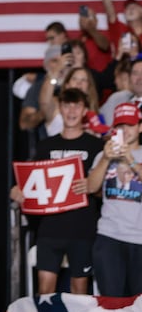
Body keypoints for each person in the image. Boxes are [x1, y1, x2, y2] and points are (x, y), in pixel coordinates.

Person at [12, 88, 104, 295]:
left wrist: (92, 185)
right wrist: (18, 191)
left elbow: (103, 191)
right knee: (45, 291)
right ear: (60, 109)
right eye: (67, 105)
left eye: (77, 105)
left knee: (80, 290)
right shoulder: (46, 146)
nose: (71, 110)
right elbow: (30, 182)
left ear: (85, 110)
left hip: (82, 228)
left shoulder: (96, 145)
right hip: (50, 229)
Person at [87, 102, 142, 296]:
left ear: (140, 126)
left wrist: (131, 160)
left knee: (138, 309)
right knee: (111, 304)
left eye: (130, 124)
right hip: (109, 236)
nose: (125, 130)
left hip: (139, 238)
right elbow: (91, 187)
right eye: (120, 126)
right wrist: (105, 159)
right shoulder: (104, 154)